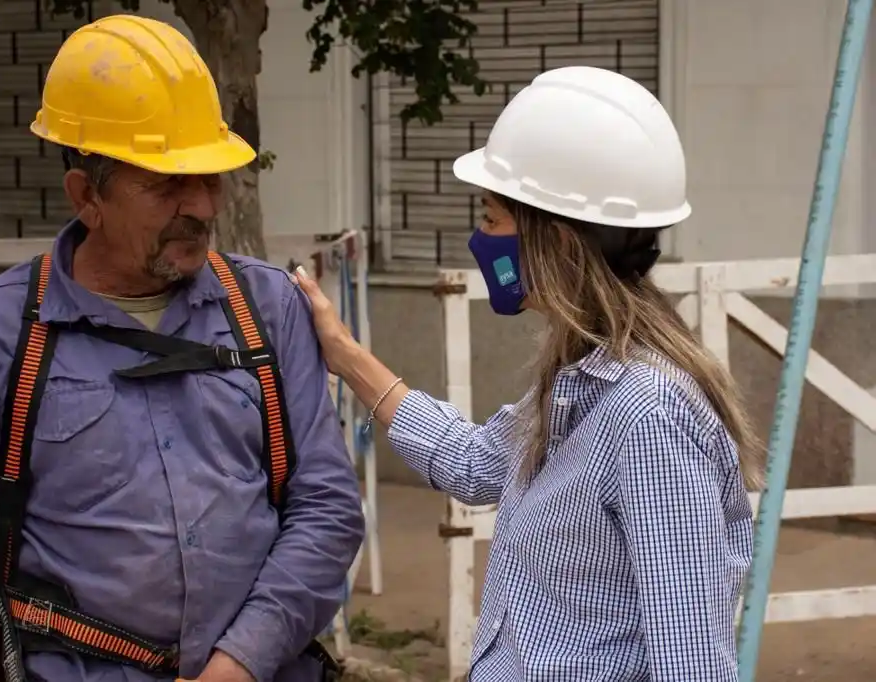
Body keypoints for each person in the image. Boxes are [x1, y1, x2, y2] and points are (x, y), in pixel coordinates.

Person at [0, 14, 364, 682]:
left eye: (210, 179)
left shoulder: (268, 312)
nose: (200, 206)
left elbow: (327, 510)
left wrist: (240, 662)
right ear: (87, 197)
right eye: (167, 185)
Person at [295, 66, 764, 681]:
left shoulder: (649, 414)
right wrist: (346, 354)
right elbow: (476, 464)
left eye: (491, 218)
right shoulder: (584, 377)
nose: (478, 238)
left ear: (559, 241)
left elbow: (692, 664)